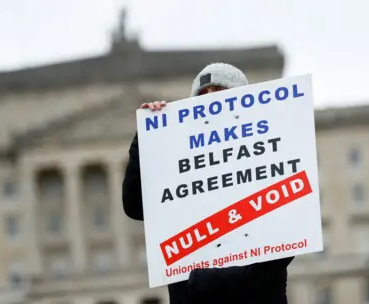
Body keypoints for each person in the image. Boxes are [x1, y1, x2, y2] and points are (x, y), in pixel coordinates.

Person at [122, 63, 294, 304]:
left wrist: (208, 279)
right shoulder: (176, 154)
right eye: (203, 95)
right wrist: (146, 139)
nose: (211, 101)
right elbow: (136, 206)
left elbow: (289, 229)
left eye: (221, 92)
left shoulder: (269, 155)